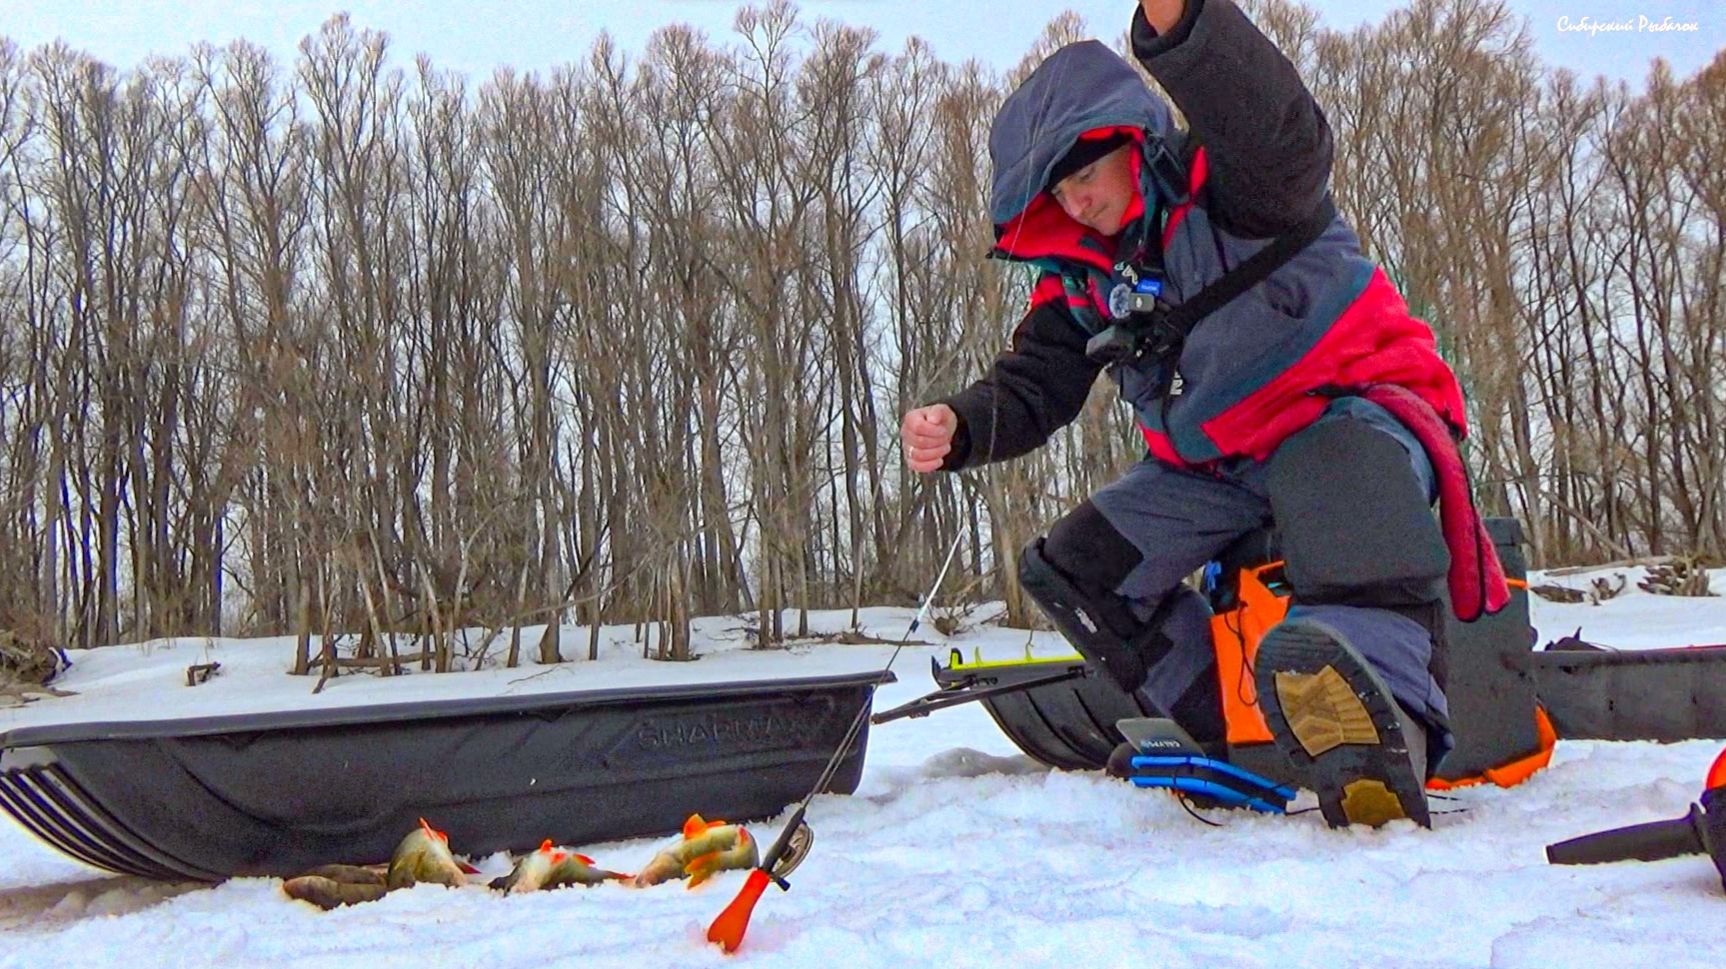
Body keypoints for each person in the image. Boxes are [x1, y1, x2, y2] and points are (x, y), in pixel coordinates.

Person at [900, 0, 1507, 829]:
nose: (1078, 202)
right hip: (1217, 467)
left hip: (1349, 411)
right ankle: (1228, 729)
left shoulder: (1237, 187)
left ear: (1133, 142)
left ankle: (1376, 741)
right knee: (1077, 566)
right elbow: (1037, 381)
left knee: (1336, 477)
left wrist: (1182, 26)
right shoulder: (1083, 280)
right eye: (1060, 191)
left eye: (1088, 174)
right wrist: (963, 424)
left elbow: (1282, 131)